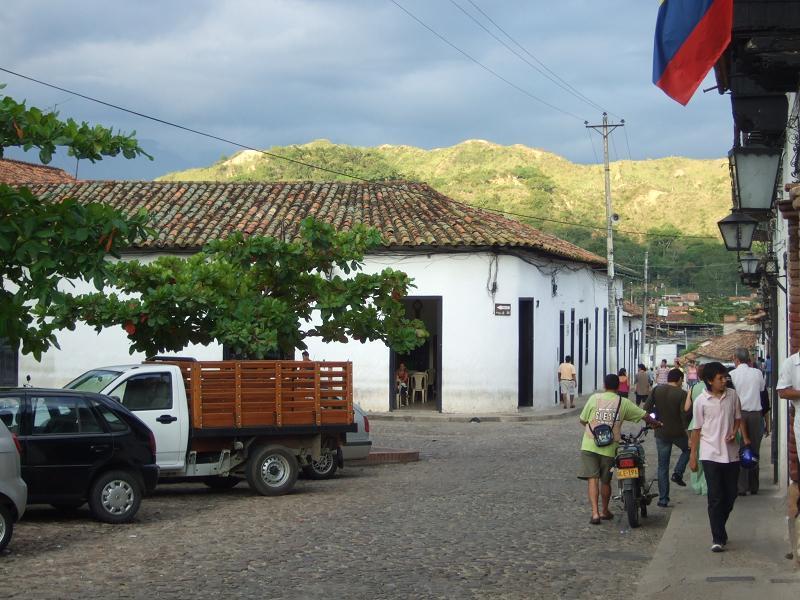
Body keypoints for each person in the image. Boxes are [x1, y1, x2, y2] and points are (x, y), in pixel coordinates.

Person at [578, 373, 660, 525]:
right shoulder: (623, 402)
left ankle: (595, 514)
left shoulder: (594, 398)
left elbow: (583, 420)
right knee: (605, 481)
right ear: (618, 387)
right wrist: (657, 423)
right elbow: (644, 416)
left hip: (589, 445)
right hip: (610, 448)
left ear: (604, 385)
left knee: (592, 480)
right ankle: (605, 510)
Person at [689, 361, 750, 553]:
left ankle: (719, 525)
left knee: (730, 495)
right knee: (715, 496)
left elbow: (738, 418)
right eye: (720, 378)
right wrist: (693, 456)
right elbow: (696, 430)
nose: (724, 381)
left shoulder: (732, 396)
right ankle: (717, 537)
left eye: (725, 377)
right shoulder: (701, 401)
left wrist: (734, 431)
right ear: (709, 381)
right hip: (709, 453)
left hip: (731, 454)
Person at [645, 368, 690, 507]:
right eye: (682, 380)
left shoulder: (656, 390)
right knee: (689, 449)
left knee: (662, 466)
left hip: (661, 432)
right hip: (678, 433)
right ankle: (678, 472)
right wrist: (689, 435)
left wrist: (652, 423)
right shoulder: (682, 394)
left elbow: (646, 408)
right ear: (679, 379)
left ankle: (663, 499)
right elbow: (684, 416)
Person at [729, 347, 766, 496]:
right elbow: (762, 389)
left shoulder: (732, 374)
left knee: (741, 450)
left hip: (739, 415)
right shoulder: (757, 373)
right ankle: (754, 485)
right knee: (754, 449)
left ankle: (742, 487)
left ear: (737, 360)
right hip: (756, 414)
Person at [684, 364, 707, 495]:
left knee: (696, 455)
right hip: (707, 425)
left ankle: (697, 486)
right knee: (707, 455)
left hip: (694, 425)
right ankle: (706, 485)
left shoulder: (693, 388)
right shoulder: (711, 388)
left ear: (698, 375)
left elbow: (686, 408)